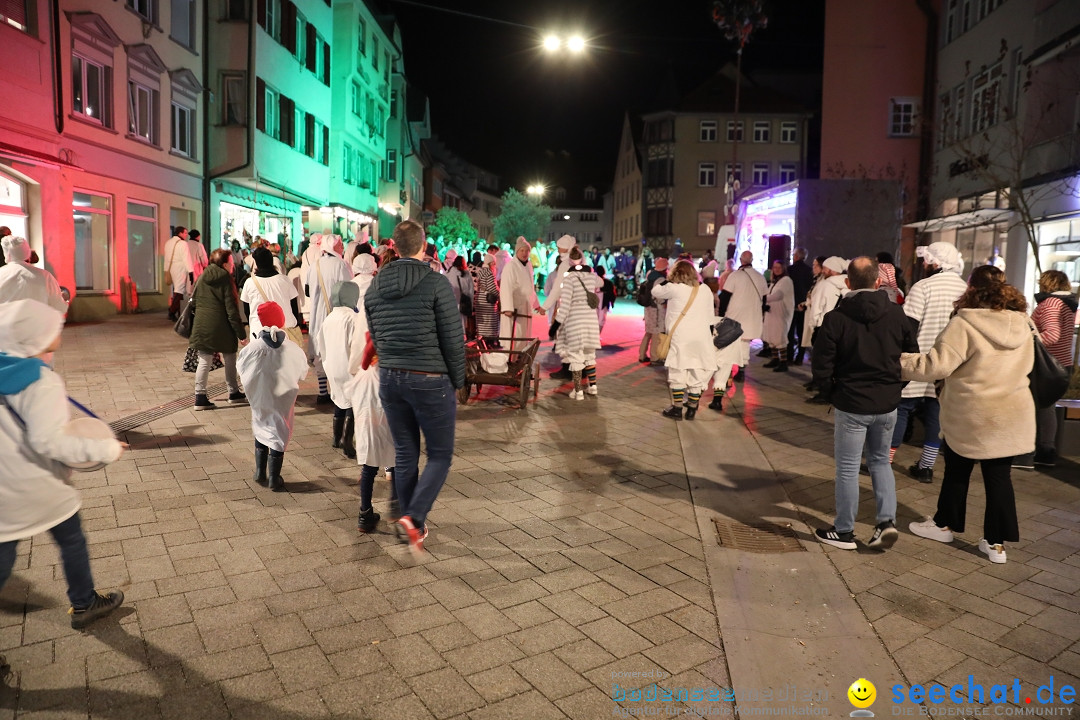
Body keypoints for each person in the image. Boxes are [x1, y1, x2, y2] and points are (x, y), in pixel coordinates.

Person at [0, 299, 127, 628]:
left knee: (3, 555)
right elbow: (50, 441)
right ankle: (84, 604)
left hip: (4, 484)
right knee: (71, 538)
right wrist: (106, 449)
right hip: (37, 482)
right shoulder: (41, 382)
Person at [904, 266, 1034, 564]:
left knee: (957, 471)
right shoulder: (1024, 323)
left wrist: (897, 362)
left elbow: (936, 366)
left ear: (971, 288)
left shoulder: (964, 323)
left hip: (971, 413)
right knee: (999, 478)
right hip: (1012, 413)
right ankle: (996, 545)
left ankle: (944, 524)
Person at [364, 220, 465, 556]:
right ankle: (414, 517)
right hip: (430, 379)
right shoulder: (436, 283)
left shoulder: (374, 288)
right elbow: (453, 339)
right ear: (424, 245)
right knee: (439, 455)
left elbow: (376, 338)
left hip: (391, 377)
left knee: (406, 452)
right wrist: (459, 380)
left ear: (394, 245)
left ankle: (409, 523)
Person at [811, 257, 919, 551]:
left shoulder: (836, 318)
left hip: (851, 402)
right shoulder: (898, 316)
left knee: (847, 468)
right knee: (881, 462)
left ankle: (844, 530)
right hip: (886, 404)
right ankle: (886, 522)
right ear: (878, 282)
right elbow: (911, 360)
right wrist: (895, 388)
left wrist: (832, 393)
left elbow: (821, 365)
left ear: (848, 283)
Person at [889, 242, 968, 479]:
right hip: (949, 362)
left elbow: (908, 327)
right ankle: (926, 467)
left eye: (926, 260)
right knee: (936, 413)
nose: (923, 264)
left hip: (920, 359)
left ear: (935, 262)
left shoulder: (923, 286)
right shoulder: (966, 290)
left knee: (901, 409)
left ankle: (884, 461)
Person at [237, 302, 309, 492]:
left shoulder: (252, 348)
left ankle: (260, 471)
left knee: (261, 426)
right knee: (279, 431)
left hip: (260, 397)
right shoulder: (292, 349)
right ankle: (274, 478)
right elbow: (302, 372)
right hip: (283, 400)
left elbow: (241, 368)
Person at [1013, 269, 1077, 469]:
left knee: (1029, 408)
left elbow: (1052, 334)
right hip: (1062, 363)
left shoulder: (1050, 304)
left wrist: (1029, 341)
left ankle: (1025, 455)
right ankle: (1046, 452)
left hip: (1046, 365)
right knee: (1047, 408)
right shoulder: (1069, 305)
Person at [653, 260, 716, 420]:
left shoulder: (674, 288)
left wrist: (668, 279)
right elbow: (710, 316)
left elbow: (655, 291)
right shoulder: (705, 289)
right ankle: (692, 408)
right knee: (697, 371)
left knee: (677, 371)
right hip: (702, 336)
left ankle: (677, 408)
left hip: (681, 337)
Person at [189, 249, 247, 410]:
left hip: (202, 323)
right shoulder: (226, 279)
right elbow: (231, 309)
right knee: (229, 356)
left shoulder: (202, 276)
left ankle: (200, 397)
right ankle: (233, 392)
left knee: (204, 360)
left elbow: (193, 302)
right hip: (222, 325)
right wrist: (241, 334)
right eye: (230, 262)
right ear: (224, 264)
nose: (233, 266)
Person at [306, 235, 353, 404]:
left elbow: (307, 291)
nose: (342, 247)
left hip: (317, 315)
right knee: (336, 352)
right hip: (336, 313)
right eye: (340, 244)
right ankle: (337, 392)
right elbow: (349, 289)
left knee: (320, 353)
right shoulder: (341, 265)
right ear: (333, 246)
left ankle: (322, 392)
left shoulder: (315, 265)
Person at [321, 281, 361, 459]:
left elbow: (321, 344)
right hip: (348, 367)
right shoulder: (352, 317)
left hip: (332, 367)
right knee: (353, 401)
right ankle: (347, 440)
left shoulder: (329, 318)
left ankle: (336, 438)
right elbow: (356, 345)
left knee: (339, 400)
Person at [555, 247, 602, 399]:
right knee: (589, 353)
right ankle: (593, 387)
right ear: (582, 260)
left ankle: (578, 391)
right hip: (590, 320)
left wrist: (557, 324)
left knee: (575, 355)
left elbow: (565, 304)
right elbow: (601, 282)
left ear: (569, 261)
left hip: (575, 320)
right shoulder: (591, 276)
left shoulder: (569, 278)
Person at [718, 251, 768, 382]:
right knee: (745, 343)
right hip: (752, 316)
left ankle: (727, 372)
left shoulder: (734, 276)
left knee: (729, 344)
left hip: (736, 315)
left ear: (741, 260)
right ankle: (741, 370)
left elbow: (725, 297)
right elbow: (764, 298)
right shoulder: (760, 276)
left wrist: (721, 314)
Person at [239, 247, 302, 346]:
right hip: (285, 330)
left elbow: (247, 310)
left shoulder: (250, 283)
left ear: (256, 262)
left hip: (259, 330)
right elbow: (294, 306)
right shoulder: (284, 280)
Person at [543, 234, 580, 379]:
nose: (558, 250)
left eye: (559, 248)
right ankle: (577, 370)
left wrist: (545, 306)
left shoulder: (565, 264)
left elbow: (556, 289)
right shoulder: (581, 261)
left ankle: (567, 370)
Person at [0, 236, 67, 313]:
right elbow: (59, 308)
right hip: (38, 324)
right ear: (28, 253)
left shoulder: (1, 274)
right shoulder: (45, 276)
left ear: (7, 255)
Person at [500, 237, 545, 348]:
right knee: (513, 338)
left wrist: (537, 305)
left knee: (523, 337)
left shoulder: (528, 265)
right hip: (515, 309)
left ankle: (519, 360)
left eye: (527, 251)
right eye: (522, 250)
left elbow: (530, 287)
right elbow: (506, 288)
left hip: (525, 307)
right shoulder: (511, 266)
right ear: (517, 251)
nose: (525, 253)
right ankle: (510, 361)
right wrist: (507, 308)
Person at [762, 260, 796, 372]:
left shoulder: (786, 280)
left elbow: (778, 295)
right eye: (774, 267)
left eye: (779, 267)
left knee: (779, 336)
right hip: (772, 312)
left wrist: (763, 299)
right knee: (771, 335)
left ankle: (783, 362)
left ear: (783, 269)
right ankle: (775, 359)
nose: (776, 269)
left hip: (780, 313)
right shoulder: (774, 281)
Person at [637, 256, 669, 363]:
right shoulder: (661, 280)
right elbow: (660, 297)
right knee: (656, 334)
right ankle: (654, 357)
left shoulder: (650, 276)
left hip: (648, 309)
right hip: (657, 310)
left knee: (648, 332)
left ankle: (642, 355)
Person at [788, 248, 814, 364]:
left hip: (791, 303)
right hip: (803, 305)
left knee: (789, 332)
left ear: (796, 256)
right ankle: (800, 357)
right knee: (801, 332)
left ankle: (789, 356)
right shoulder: (809, 270)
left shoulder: (790, 270)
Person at [473, 252, 500, 345]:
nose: (494, 265)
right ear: (491, 263)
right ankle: (489, 343)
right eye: (494, 263)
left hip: (480, 299)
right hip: (487, 302)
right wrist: (499, 293)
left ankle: (482, 342)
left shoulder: (480, 271)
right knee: (489, 323)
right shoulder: (489, 272)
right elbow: (492, 288)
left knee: (482, 324)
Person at [446, 254, 474, 336]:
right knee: (462, 323)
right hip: (463, 302)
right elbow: (471, 291)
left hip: (450, 303)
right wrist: (471, 305)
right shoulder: (466, 274)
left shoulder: (448, 273)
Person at [596, 266, 616, 334]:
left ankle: (595, 336)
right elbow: (612, 294)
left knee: (595, 320)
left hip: (596, 303)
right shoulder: (608, 283)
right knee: (601, 320)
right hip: (603, 303)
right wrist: (611, 303)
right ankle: (597, 336)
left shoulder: (593, 282)